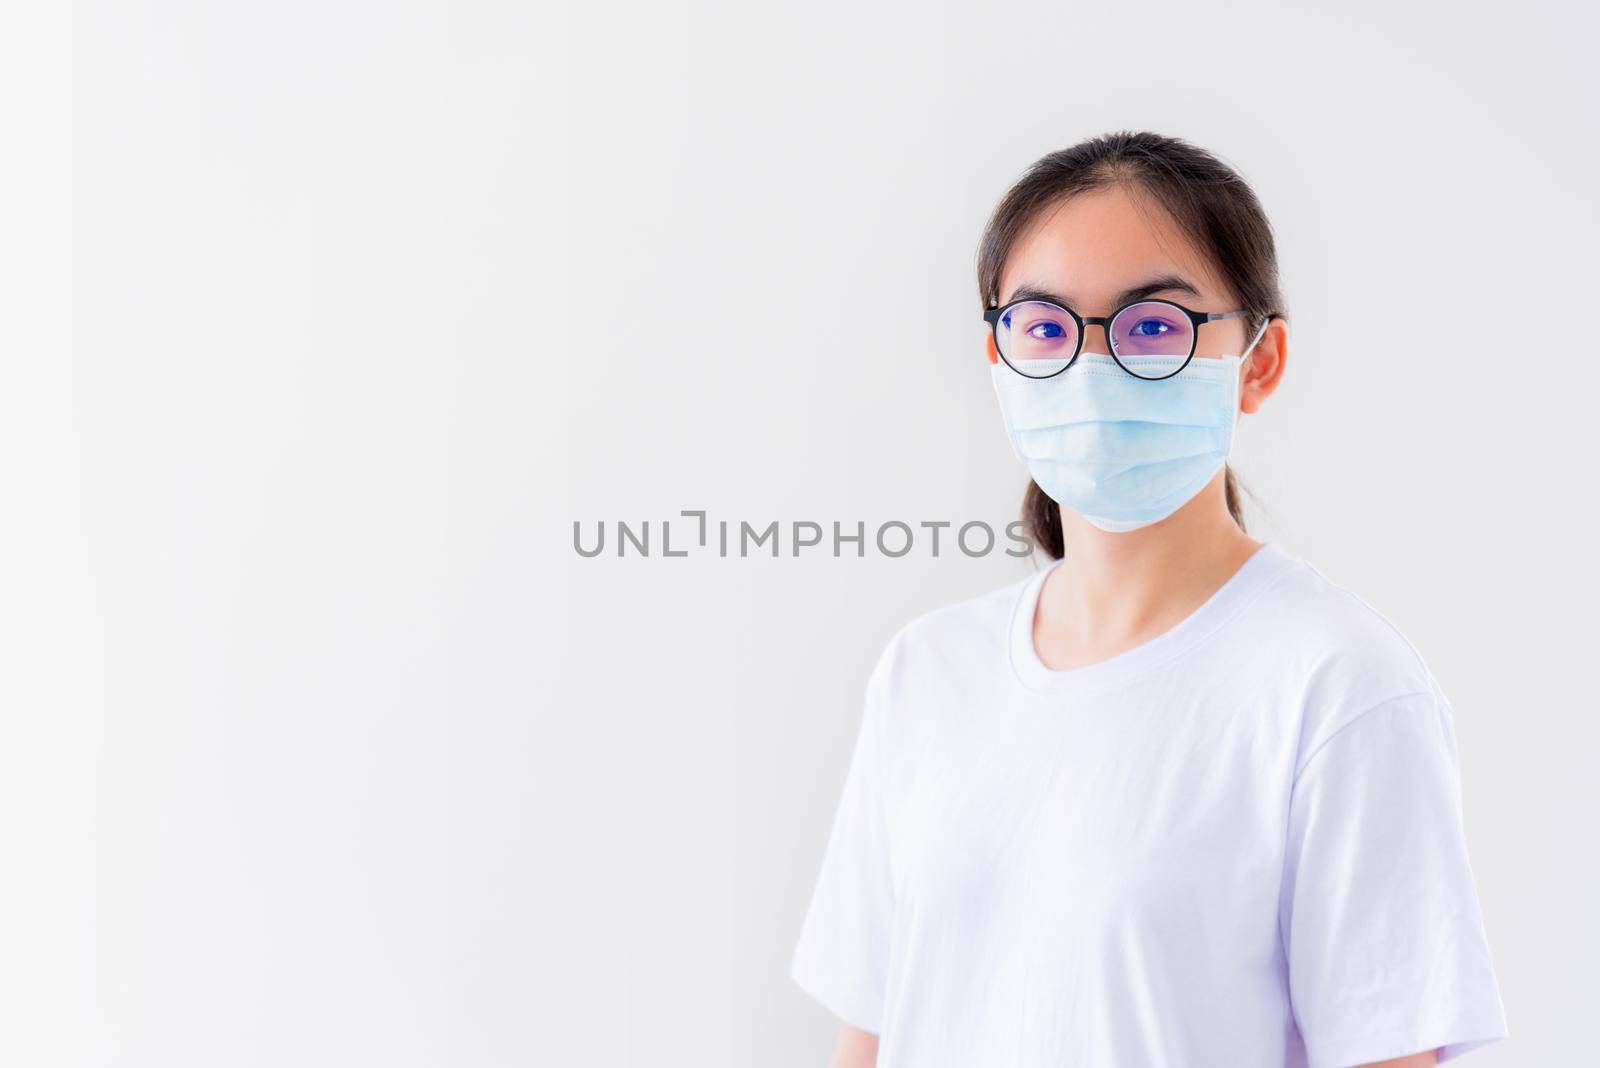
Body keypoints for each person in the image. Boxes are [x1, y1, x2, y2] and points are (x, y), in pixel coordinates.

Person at [788, 131, 1509, 1068]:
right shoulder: (928, 671)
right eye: (1044, 327)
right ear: (999, 360)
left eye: (1154, 328)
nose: (1092, 369)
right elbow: (874, 1037)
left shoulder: (1335, 687)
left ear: (1258, 362)